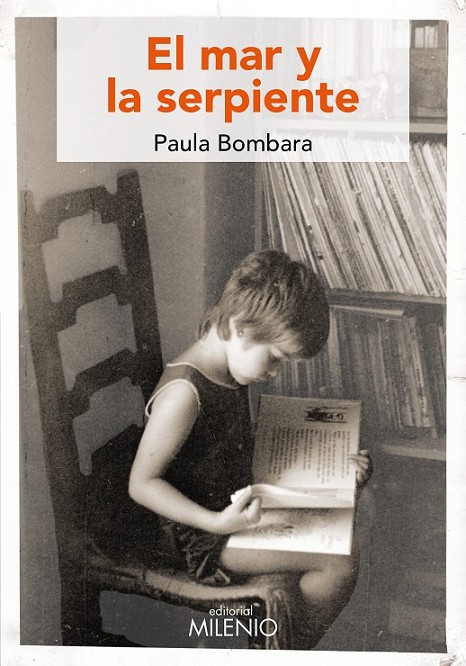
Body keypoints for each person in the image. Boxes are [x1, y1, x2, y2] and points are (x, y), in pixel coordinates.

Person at [128, 249, 371, 648]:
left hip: (238, 507)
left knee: (356, 508)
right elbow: (141, 484)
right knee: (340, 561)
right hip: (206, 539)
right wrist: (215, 523)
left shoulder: (228, 366)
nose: (274, 372)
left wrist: (335, 473)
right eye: (275, 358)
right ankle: (288, 648)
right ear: (240, 326)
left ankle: (286, 640)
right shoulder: (183, 394)